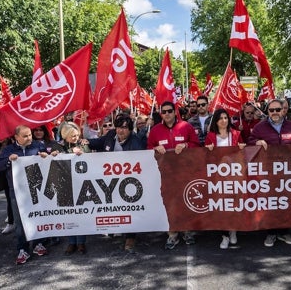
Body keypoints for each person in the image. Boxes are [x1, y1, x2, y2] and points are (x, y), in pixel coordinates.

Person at [248, 98, 291, 246]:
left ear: (283, 111)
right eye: (271, 110)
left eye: (277, 110)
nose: (274, 113)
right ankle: (271, 233)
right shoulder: (260, 127)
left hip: (288, 171)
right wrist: (257, 142)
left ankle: (285, 232)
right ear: (267, 111)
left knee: (286, 202)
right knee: (271, 203)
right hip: (268, 172)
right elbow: (250, 141)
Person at [87, 115, 146, 252]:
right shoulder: (111, 135)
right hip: (111, 181)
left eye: (124, 128)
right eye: (119, 127)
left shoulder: (135, 142)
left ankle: (130, 237)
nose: (121, 131)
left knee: (130, 208)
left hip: (129, 181)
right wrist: (85, 142)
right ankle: (115, 228)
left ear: (130, 130)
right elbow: (98, 142)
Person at [147, 100, 201, 249]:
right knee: (169, 204)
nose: (167, 114)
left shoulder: (186, 126)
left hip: (185, 173)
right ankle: (172, 234)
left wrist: (185, 145)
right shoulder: (155, 130)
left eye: (169, 111)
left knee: (186, 202)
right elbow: (148, 148)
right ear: (160, 114)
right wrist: (155, 148)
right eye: (163, 112)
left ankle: (187, 231)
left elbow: (197, 145)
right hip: (165, 175)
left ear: (174, 111)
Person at [0, 125, 42, 265]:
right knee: (20, 222)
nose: (29, 138)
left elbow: (49, 157)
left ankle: (38, 244)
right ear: (16, 137)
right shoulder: (8, 149)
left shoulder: (37, 146)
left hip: (36, 190)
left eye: (30, 135)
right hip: (17, 191)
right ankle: (22, 249)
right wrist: (9, 160)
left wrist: (46, 156)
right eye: (25, 136)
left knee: (38, 217)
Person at [204, 108, 245, 249]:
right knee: (221, 205)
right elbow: (205, 157)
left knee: (234, 203)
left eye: (226, 118)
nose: (223, 120)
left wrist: (242, 147)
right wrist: (208, 150)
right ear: (216, 121)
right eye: (220, 118)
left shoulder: (236, 134)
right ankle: (224, 235)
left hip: (234, 176)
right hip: (218, 178)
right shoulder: (210, 136)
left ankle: (233, 230)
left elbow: (243, 155)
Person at [60, 121, 91, 254]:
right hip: (66, 185)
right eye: (73, 136)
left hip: (81, 185)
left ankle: (81, 243)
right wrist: (68, 153)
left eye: (77, 135)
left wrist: (83, 153)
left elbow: (91, 160)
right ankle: (71, 242)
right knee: (68, 216)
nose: (76, 138)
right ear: (65, 136)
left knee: (81, 214)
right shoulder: (59, 148)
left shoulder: (83, 145)